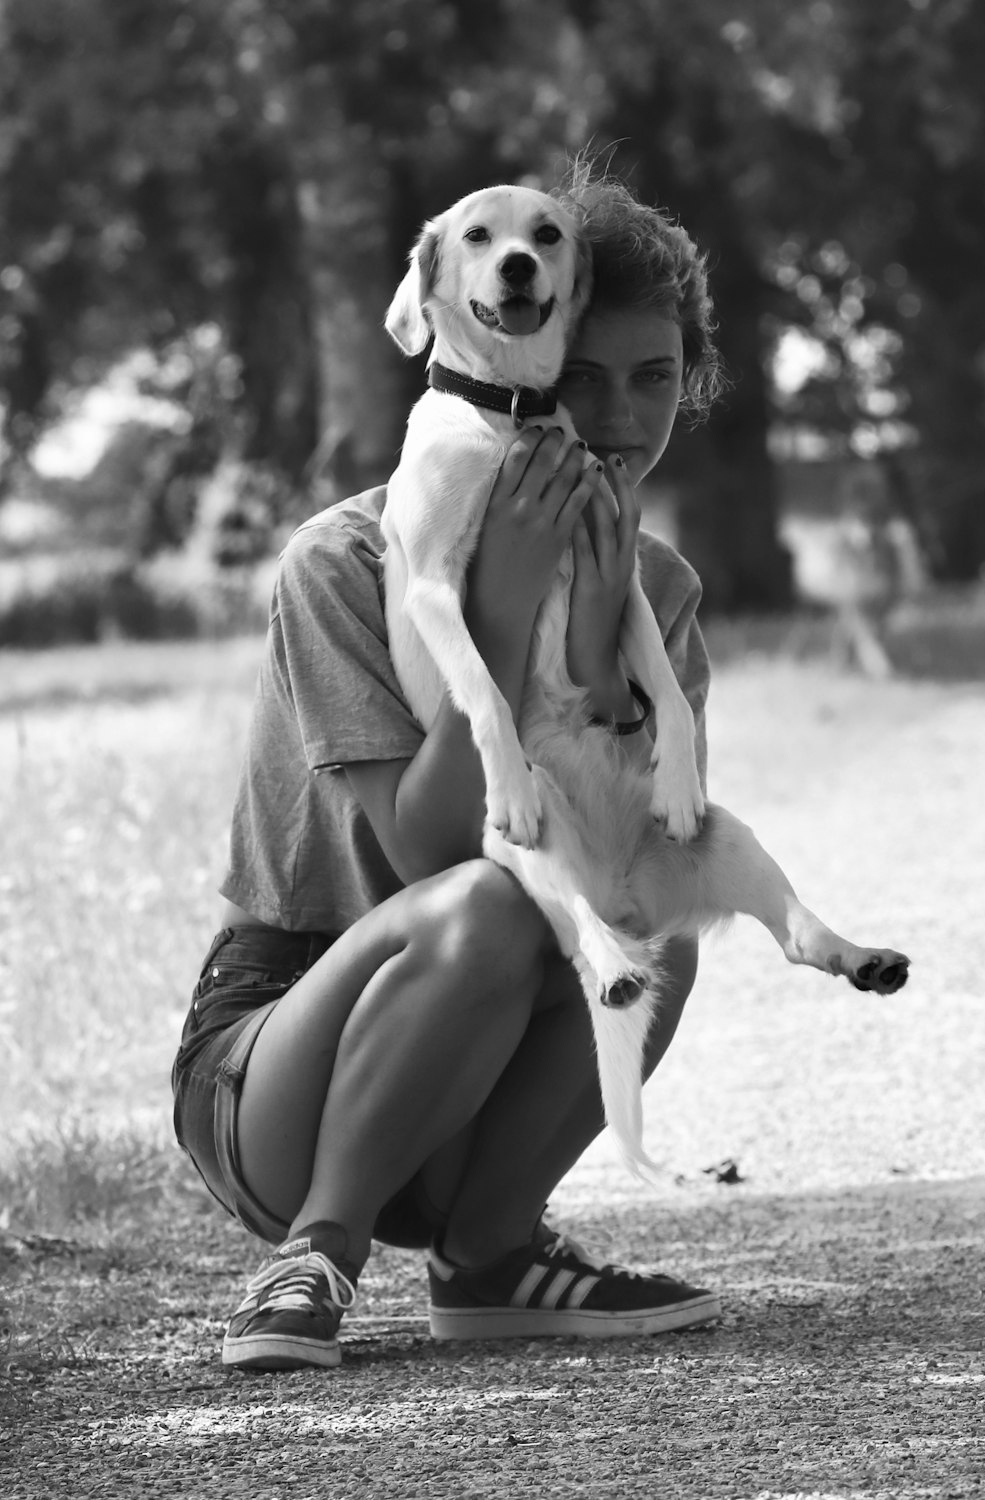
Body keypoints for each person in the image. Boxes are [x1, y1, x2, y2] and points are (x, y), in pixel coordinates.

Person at [171, 165, 726, 1371]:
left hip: (474, 1096)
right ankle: (314, 1253)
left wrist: (585, 646)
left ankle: (489, 1257)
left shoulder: (662, 590)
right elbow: (427, 854)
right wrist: (508, 587)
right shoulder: (345, 560)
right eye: (582, 376)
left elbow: (636, 852)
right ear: (509, 343)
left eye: (657, 378)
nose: (620, 420)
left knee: (655, 919)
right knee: (479, 899)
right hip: (285, 1067)